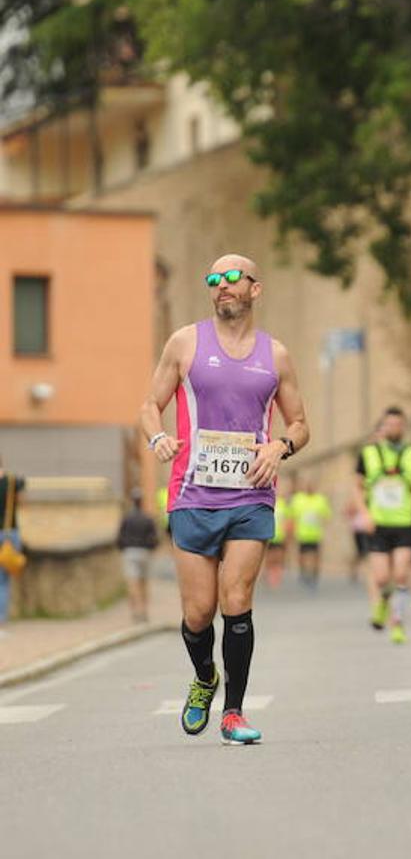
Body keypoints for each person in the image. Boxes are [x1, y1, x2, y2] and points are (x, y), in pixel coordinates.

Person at [140, 253, 309, 745]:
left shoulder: (275, 355)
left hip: (251, 496)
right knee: (198, 612)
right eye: (213, 279)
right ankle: (205, 679)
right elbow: (150, 405)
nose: (222, 286)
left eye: (233, 278)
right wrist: (158, 439)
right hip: (191, 495)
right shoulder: (185, 343)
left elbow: (300, 423)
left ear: (255, 289)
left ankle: (233, 711)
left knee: (236, 598)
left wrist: (280, 445)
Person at [352, 407, 411, 644]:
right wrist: (364, 513)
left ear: (403, 426)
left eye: (398, 424)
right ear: (383, 426)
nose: (394, 428)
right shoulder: (368, 453)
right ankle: (383, 602)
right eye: (389, 424)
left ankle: (397, 623)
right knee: (380, 579)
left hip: (404, 522)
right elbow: (356, 486)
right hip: (378, 523)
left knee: (400, 575)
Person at [117, 488, 160, 622]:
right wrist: (150, 548)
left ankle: (135, 611)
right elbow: (154, 538)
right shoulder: (148, 518)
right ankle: (144, 611)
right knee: (144, 583)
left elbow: (119, 537)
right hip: (145, 552)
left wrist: (123, 548)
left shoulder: (126, 518)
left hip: (130, 552)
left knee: (132, 583)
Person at [290, 477, 331, 589]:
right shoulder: (298, 499)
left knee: (316, 556)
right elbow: (292, 516)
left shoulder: (320, 499)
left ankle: (314, 575)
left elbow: (326, 515)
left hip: (315, 534)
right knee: (302, 556)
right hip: (302, 534)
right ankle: (303, 572)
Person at [0, 456, 26, 625]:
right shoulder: (12, 481)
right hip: (9, 533)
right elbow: (22, 503)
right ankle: (1, 617)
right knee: (3, 580)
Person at [265, 478, 291, 589]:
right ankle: (269, 576)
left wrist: (288, 534)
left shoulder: (283, 505)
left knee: (279, 558)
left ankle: (277, 577)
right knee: (269, 558)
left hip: (280, 536)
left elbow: (288, 520)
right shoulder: (269, 502)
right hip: (269, 535)